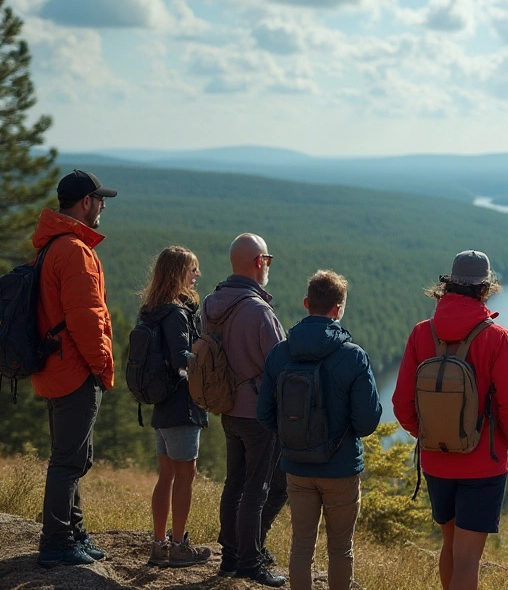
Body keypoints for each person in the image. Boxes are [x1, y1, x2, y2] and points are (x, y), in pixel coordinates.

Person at [392, 250, 508, 590]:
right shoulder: (496, 338)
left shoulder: (422, 333)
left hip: (436, 462)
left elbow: (401, 403)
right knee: (469, 559)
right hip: (482, 464)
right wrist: (507, 443)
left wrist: (427, 435)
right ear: (485, 289)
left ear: (448, 287)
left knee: (450, 547)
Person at [256, 270, 383, 590]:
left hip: (296, 467)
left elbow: (264, 414)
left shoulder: (280, 353)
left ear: (306, 303)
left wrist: (291, 439)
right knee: (340, 549)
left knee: (301, 547)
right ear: (338, 308)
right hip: (340, 469)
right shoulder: (353, 356)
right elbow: (367, 423)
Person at [32, 169, 118, 568]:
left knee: (74, 456)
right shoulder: (76, 251)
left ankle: (74, 533)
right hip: (75, 369)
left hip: (56, 365)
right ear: (86, 202)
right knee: (68, 460)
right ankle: (56, 543)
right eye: (101, 200)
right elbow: (86, 318)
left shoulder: (52, 245)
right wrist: (101, 365)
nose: (103, 207)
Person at [205, 233, 288, 587]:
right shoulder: (260, 311)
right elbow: (281, 366)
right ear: (259, 263)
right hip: (258, 414)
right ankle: (250, 564)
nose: (267, 265)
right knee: (259, 489)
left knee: (234, 484)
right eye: (267, 259)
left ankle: (229, 558)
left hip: (227, 409)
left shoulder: (211, 303)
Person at [139, 246, 212, 568]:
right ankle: (179, 545)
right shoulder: (176, 313)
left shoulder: (151, 309)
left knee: (166, 474)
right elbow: (182, 360)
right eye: (192, 270)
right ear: (178, 273)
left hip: (161, 404)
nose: (197, 275)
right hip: (182, 405)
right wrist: (208, 365)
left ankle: (159, 544)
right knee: (186, 474)